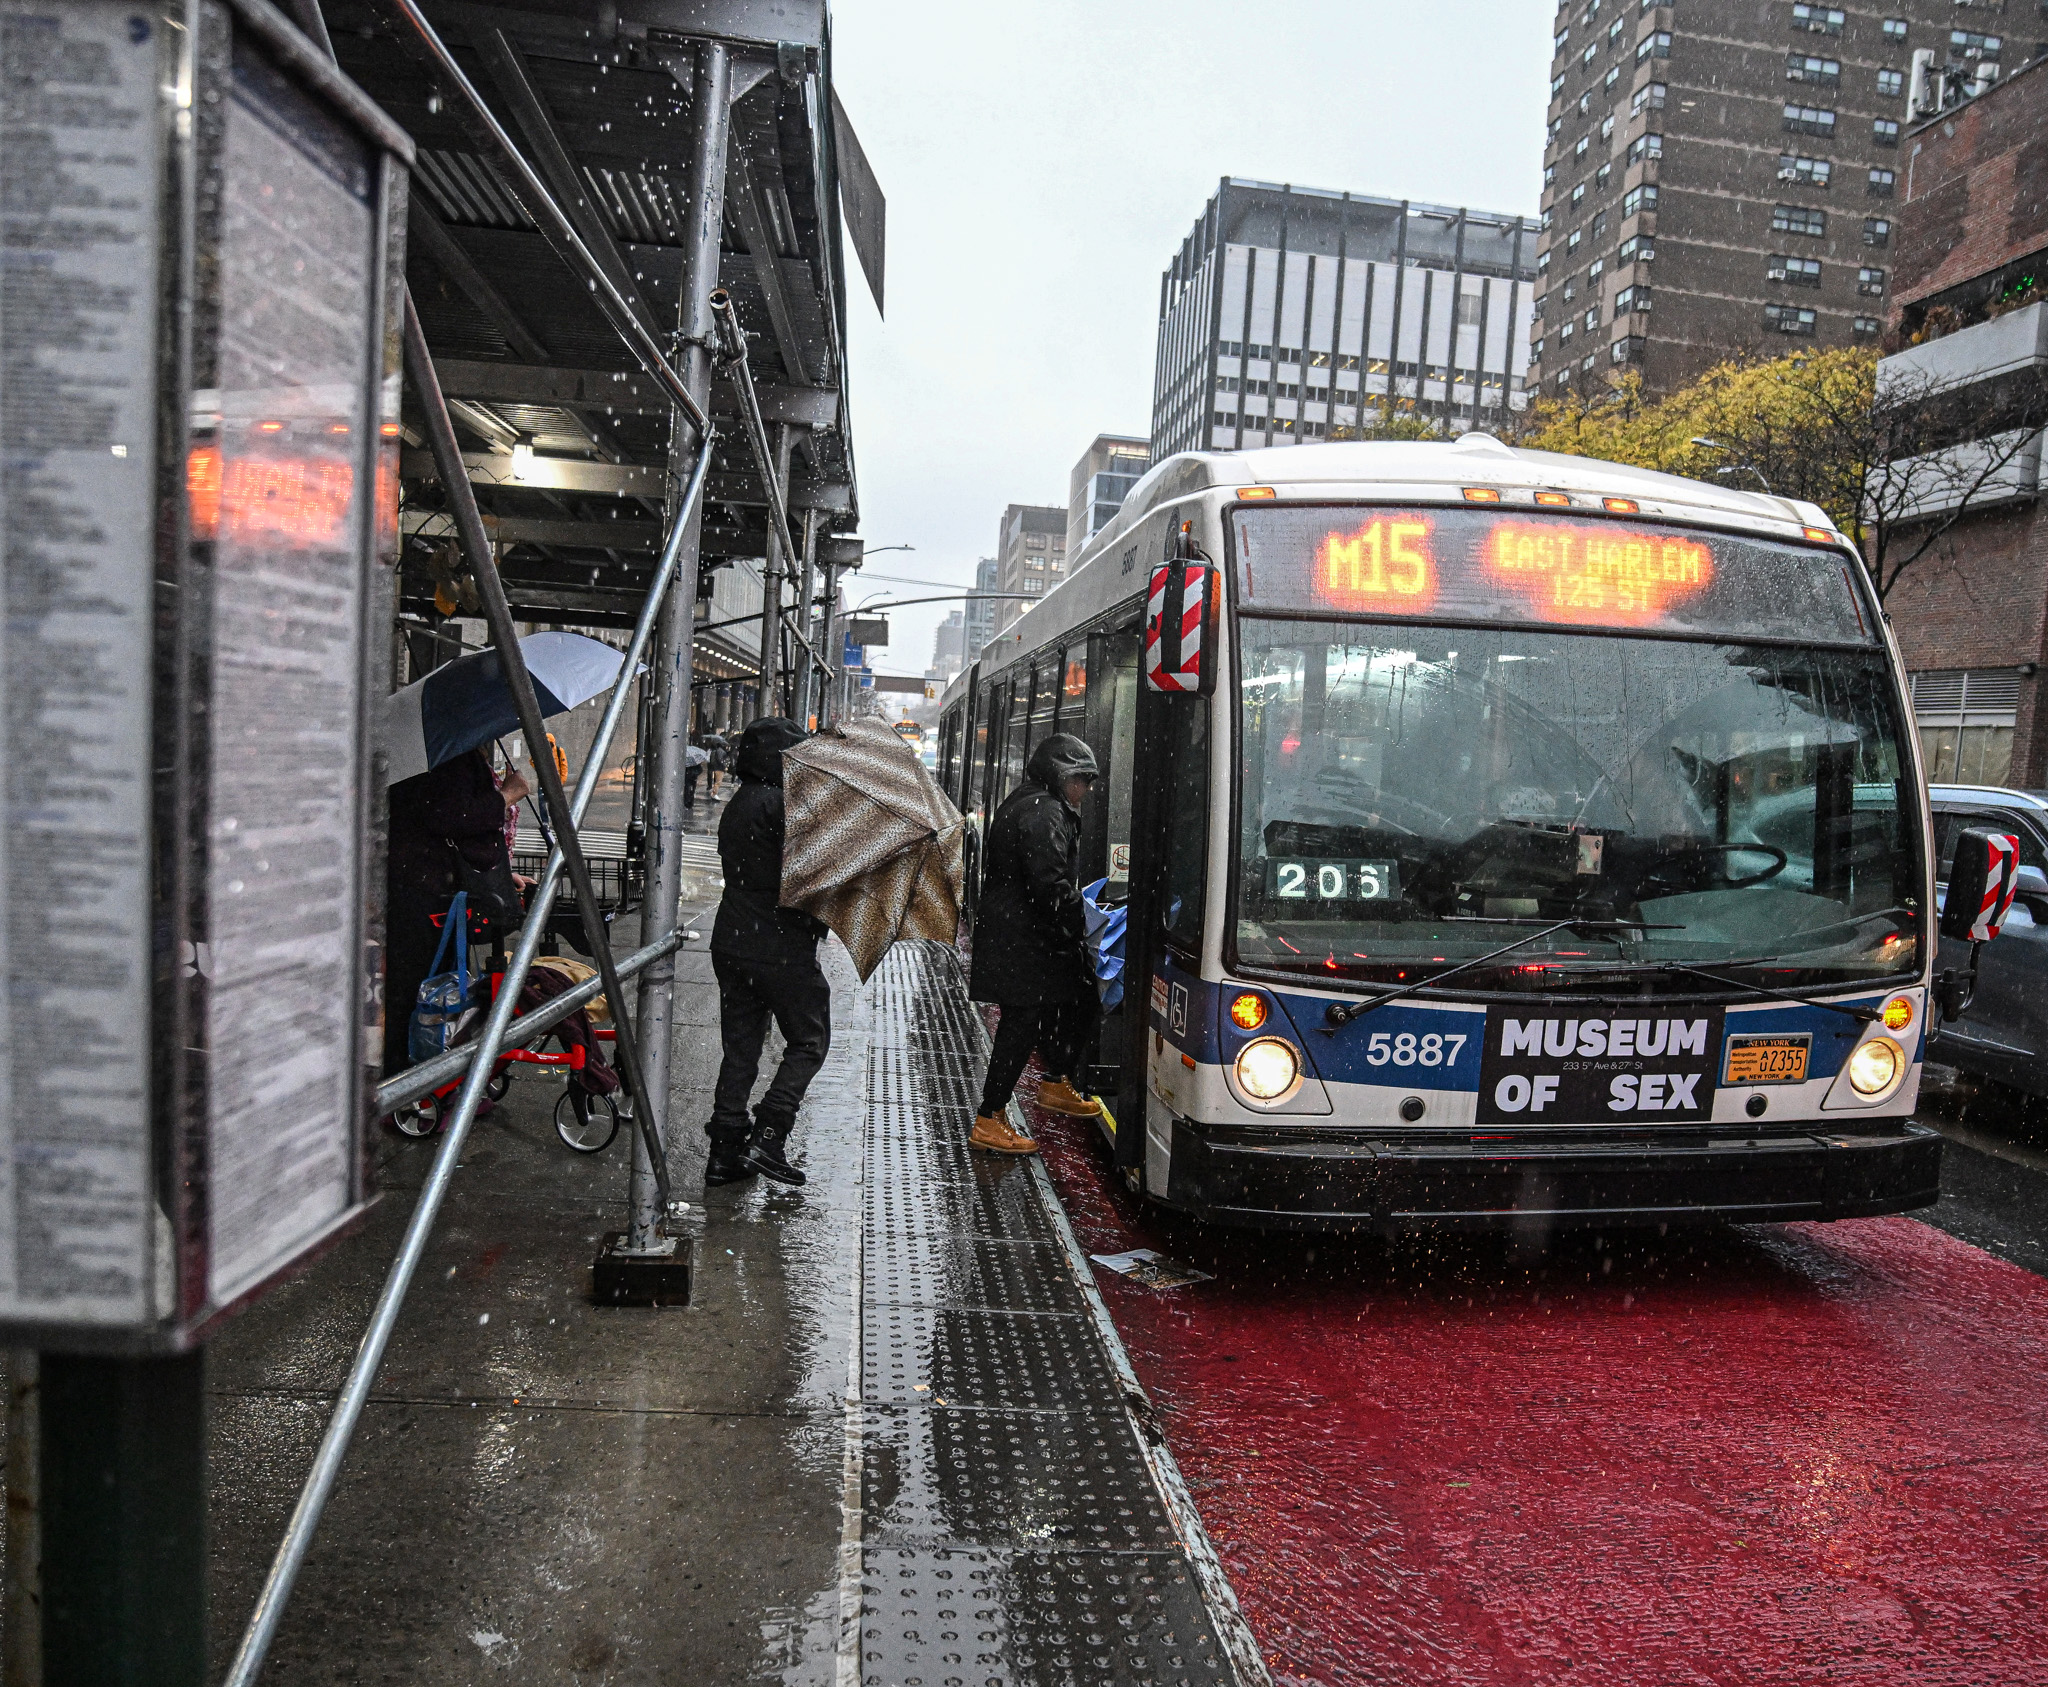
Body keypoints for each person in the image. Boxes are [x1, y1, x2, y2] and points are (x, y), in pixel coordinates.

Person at [705, 717, 832, 1187]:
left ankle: (724, 1152)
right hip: (781, 947)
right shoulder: (785, 807)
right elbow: (812, 876)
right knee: (809, 1039)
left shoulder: (739, 804)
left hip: (733, 942)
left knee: (740, 1049)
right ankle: (770, 1135)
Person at [969, 733, 1103, 1154]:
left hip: (1020, 937)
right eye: (1081, 779)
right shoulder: (1044, 813)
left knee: (1067, 998)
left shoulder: (1035, 803)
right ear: (1060, 776)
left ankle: (1051, 1082)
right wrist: (1080, 922)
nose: (1086, 789)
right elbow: (1048, 884)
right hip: (1024, 940)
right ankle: (990, 1118)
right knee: (1023, 1026)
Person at [384, 749, 527, 1074]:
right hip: (423, 891)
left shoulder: (447, 754)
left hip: (435, 886)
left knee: (438, 982)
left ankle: (430, 1063)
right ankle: (409, 1074)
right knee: (418, 986)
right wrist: (507, 795)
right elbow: (454, 817)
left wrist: (499, 876)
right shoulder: (442, 758)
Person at [684, 737, 710, 808]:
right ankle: (689, 802)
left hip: (689, 777)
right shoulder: (696, 761)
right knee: (691, 790)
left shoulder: (688, 763)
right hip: (692, 778)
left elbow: (699, 770)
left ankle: (688, 802)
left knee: (688, 789)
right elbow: (700, 770)